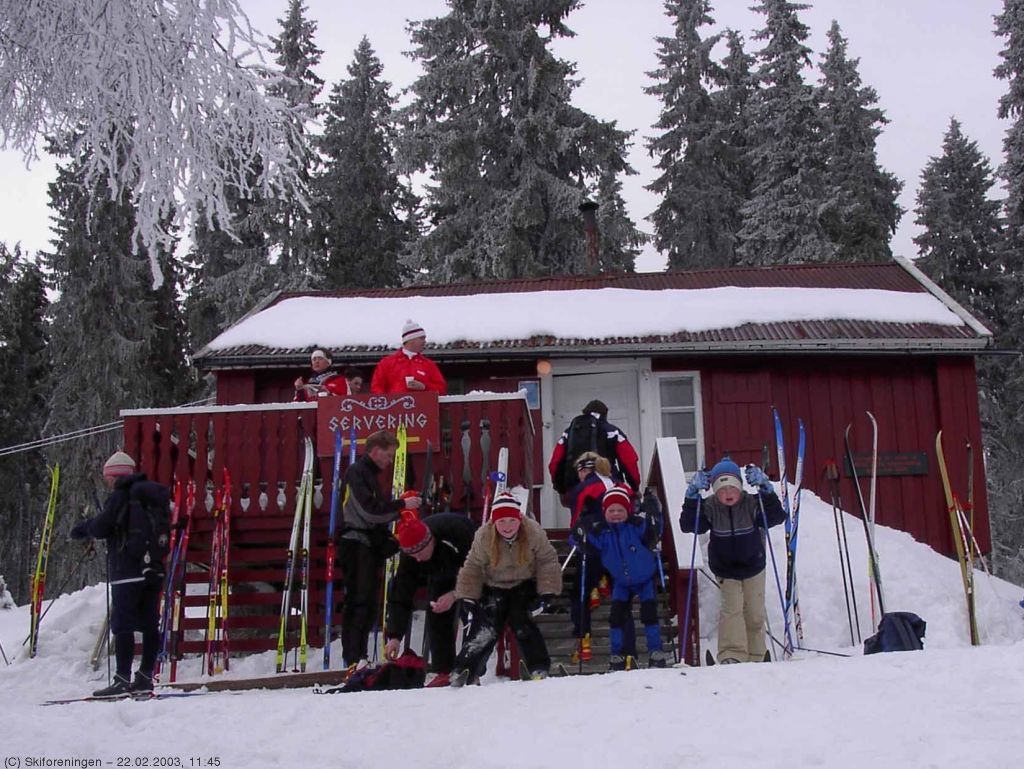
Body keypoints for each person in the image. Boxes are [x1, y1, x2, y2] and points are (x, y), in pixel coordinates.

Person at [70, 451, 170, 696]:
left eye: (108, 478)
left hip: (127, 570)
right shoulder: (150, 495)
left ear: (115, 476)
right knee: (150, 624)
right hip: (153, 569)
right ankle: (145, 677)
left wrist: (82, 530)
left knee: (122, 625)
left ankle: (121, 680)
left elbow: (102, 526)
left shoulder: (121, 495)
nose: (107, 482)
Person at [679, 458, 786, 664]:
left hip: (754, 565)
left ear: (740, 487)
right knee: (732, 611)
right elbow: (690, 525)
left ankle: (757, 655)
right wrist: (691, 498)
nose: (727, 493)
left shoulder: (751, 503)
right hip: (725, 569)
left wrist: (766, 491)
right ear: (714, 491)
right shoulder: (710, 507)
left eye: (732, 488)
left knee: (755, 614)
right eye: (721, 489)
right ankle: (732, 654)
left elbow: (775, 517)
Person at [450, 493, 561, 685]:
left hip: (523, 582)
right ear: (494, 522)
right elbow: (473, 566)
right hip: (494, 584)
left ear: (519, 520)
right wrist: (467, 595)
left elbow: (547, 560)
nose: (507, 526)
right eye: (501, 521)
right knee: (487, 626)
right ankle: (465, 669)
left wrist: (547, 591)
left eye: (512, 521)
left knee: (522, 621)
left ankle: (538, 666)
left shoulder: (533, 532)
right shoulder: (484, 536)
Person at [338, 430, 422, 669]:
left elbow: (375, 513)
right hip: (355, 542)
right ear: (375, 451)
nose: (390, 461)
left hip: (368, 542)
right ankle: (353, 658)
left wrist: (395, 538)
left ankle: (359, 656)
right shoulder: (357, 472)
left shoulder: (370, 475)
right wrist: (402, 506)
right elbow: (370, 511)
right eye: (388, 455)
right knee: (359, 600)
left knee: (369, 602)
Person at [575, 485, 669, 670]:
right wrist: (582, 527)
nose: (616, 514)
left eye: (620, 510)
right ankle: (616, 655)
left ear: (628, 511)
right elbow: (587, 543)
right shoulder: (603, 533)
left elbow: (655, 530)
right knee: (616, 617)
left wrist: (654, 513)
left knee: (649, 615)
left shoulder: (636, 526)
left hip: (644, 578)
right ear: (605, 512)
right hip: (621, 582)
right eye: (611, 511)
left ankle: (656, 652)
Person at [383, 511, 478, 687]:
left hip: (470, 566)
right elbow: (400, 594)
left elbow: (478, 572)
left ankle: (472, 669)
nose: (417, 560)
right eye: (413, 555)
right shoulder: (412, 555)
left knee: (472, 613)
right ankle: (444, 671)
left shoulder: (459, 534)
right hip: (440, 572)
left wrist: (455, 594)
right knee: (436, 610)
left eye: (419, 553)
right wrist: (394, 636)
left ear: (429, 541)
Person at [548, 399, 641, 502]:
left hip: (577, 488)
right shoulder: (613, 432)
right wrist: (635, 487)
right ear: (605, 414)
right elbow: (629, 461)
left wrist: (561, 490)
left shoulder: (568, 434)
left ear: (584, 413)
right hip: (609, 486)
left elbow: (554, 463)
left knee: (581, 511)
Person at [369, 319, 447, 395]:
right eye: (421, 338)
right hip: (395, 404)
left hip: (422, 404)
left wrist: (424, 387)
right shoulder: (387, 363)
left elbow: (442, 389)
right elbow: (377, 388)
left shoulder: (428, 364)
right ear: (411, 340)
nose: (425, 341)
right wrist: (388, 402)